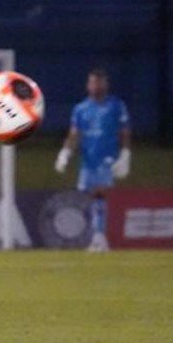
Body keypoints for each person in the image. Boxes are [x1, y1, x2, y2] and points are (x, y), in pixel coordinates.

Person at [55, 67, 131, 252]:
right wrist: (65, 153)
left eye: (100, 82)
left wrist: (125, 154)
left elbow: (124, 131)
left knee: (99, 193)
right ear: (88, 86)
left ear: (106, 84)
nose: (96, 85)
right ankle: (98, 235)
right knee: (93, 197)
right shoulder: (81, 109)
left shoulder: (115, 105)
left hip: (107, 157)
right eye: (93, 82)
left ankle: (99, 237)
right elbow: (74, 134)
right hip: (88, 158)